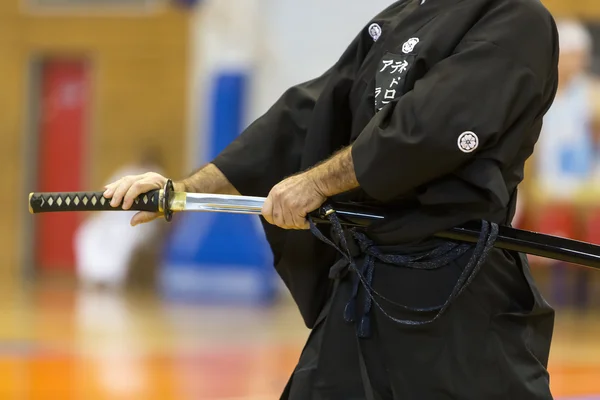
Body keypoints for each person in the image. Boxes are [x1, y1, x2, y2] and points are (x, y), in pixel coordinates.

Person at [104, 0, 560, 398]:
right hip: (366, 285)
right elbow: (308, 111)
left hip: (455, 292)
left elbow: (428, 129)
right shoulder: (402, 16)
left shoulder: (515, 17)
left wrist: (317, 184)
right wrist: (186, 189)